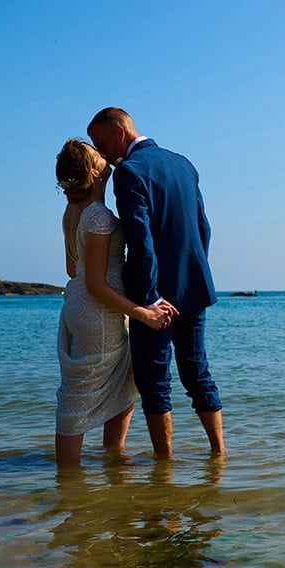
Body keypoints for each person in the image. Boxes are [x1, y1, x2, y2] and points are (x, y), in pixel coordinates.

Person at [87, 107, 225, 457]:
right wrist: (194, 272)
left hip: (155, 294)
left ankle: (164, 464)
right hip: (194, 285)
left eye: (101, 144)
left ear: (120, 132)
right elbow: (203, 227)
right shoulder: (184, 163)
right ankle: (218, 453)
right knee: (197, 373)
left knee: (154, 383)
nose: (100, 153)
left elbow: (141, 239)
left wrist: (148, 299)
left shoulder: (130, 172)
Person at [53, 139, 173, 464]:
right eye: (98, 155)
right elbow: (95, 284)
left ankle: (103, 460)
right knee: (85, 394)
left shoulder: (72, 211)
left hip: (76, 307)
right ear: (94, 171)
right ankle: (75, 470)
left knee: (111, 384)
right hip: (98, 313)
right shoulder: (99, 217)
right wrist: (144, 314)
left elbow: (72, 268)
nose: (104, 155)